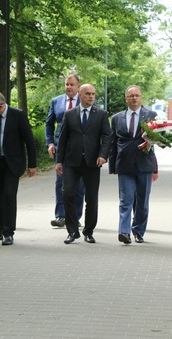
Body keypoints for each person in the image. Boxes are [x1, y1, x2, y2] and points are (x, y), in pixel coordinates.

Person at [56, 84, 111, 244]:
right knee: (67, 194)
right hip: (72, 162)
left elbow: (107, 137)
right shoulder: (69, 114)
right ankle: (72, 231)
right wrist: (59, 161)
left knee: (92, 199)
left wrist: (103, 156)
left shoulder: (101, 114)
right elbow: (63, 139)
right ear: (80, 95)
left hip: (92, 162)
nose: (91, 97)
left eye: (93, 94)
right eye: (87, 94)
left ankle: (89, 231)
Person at [0, 90, 37, 246]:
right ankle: (0, 228)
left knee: (9, 195)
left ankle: (9, 232)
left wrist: (32, 164)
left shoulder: (17, 115)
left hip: (12, 163)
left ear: (0, 106)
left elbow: (29, 141)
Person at [109, 85, 158, 245]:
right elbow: (113, 143)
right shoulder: (116, 118)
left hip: (145, 165)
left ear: (141, 98)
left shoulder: (151, 115)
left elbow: (157, 142)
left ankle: (138, 231)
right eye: (131, 96)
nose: (134, 98)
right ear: (126, 99)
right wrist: (112, 166)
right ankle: (124, 232)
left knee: (142, 201)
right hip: (124, 165)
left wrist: (155, 168)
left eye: (137, 95)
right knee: (125, 200)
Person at [45, 74, 85, 228]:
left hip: (79, 149)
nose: (68, 87)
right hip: (60, 148)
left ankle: (75, 216)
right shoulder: (56, 102)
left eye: (72, 84)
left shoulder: (83, 102)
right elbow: (49, 124)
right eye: (67, 84)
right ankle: (61, 215)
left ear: (78, 86)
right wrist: (49, 143)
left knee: (79, 185)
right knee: (61, 182)